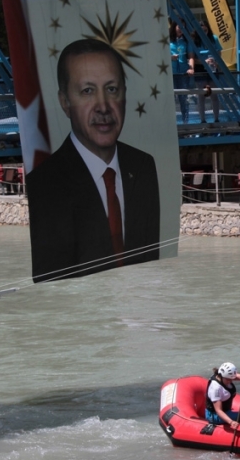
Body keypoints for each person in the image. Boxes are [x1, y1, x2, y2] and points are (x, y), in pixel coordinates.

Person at [26, 39, 160, 282]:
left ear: (125, 96)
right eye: (87, 91)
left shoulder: (143, 167)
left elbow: (151, 264)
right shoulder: (45, 184)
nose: (103, 107)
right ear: (65, 102)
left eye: (111, 89)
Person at [206, 362, 240, 430]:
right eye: (228, 379)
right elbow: (218, 411)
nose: (231, 381)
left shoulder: (226, 376)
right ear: (221, 376)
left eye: (232, 379)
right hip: (215, 416)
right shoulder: (215, 388)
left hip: (226, 411)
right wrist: (231, 422)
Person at [193, 23, 221, 123]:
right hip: (200, 69)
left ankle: (216, 119)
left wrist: (216, 62)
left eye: (205, 30)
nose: (204, 33)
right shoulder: (194, 41)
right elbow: (192, 58)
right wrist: (204, 61)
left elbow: (219, 52)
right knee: (201, 96)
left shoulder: (214, 38)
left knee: (214, 94)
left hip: (212, 68)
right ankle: (202, 120)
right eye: (201, 31)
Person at [170, 22, 195, 125]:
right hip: (170, 74)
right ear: (174, 27)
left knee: (183, 99)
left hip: (183, 74)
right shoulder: (167, 40)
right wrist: (170, 58)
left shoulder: (186, 41)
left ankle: (185, 123)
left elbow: (191, 56)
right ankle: (171, 124)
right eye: (179, 26)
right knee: (170, 99)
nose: (181, 29)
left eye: (183, 27)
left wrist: (191, 68)